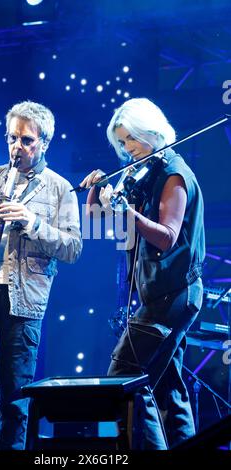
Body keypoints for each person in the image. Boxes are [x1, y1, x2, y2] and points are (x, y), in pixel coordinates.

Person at [0, 100, 82, 450]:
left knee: (15, 393)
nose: (17, 147)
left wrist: (33, 222)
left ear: (44, 143)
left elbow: (73, 248)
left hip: (23, 300)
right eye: (12, 138)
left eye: (27, 141)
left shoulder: (60, 189)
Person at [80, 98, 205, 450]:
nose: (126, 149)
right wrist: (96, 189)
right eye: (121, 143)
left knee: (125, 379)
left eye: (130, 140)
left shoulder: (173, 173)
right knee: (167, 386)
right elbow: (96, 221)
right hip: (162, 293)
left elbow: (167, 237)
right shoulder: (145, 176)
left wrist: (128, 213)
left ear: (150, 131)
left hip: (172, 293)